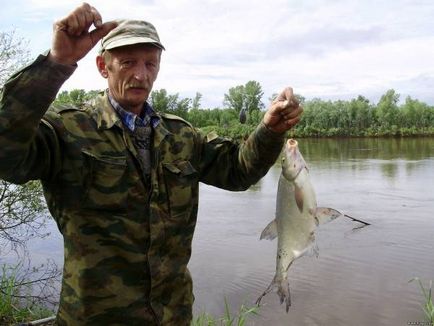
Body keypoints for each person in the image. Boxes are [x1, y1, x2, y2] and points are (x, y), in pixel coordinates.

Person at [0, 3, 302, 325]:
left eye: (150, 63)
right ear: (104, 66)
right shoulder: (68, 130)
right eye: (128, 62)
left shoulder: (181, 135)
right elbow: (5, 154)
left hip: (172, 316)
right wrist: (57, 63)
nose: (140, 75)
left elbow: (239, 171)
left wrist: (270, 131)